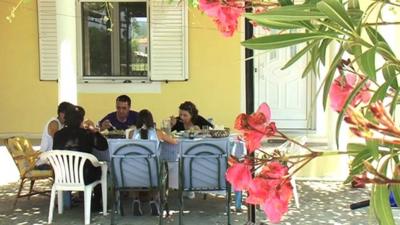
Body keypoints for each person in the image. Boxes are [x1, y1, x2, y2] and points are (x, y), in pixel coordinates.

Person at [53, 105, 108, 211]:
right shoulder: (86, 134)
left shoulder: (58, 135)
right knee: (100, 168)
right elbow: (103, 146)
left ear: (65, 119)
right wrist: (94, 131)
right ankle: (96, 203)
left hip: (62, 176)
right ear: (81, 120)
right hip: (84, 177)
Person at [130, 109, 178, 216]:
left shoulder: (132, 133)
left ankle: (136, 200)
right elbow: (174, 142)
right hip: (153, 172)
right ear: (151, 121)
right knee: (159, 168)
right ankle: (153, 200)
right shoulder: (158, 133)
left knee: (135, 169)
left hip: (135, 172)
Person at [37, 101, 74, 168]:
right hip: (45, 161)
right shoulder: (54, 123)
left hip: (53, 159)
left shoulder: (63, 125)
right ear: (62, 114)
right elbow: (58, 142)